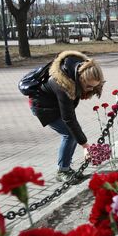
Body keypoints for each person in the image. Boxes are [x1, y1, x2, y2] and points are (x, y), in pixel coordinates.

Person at [29, 51, 105, 182]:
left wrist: (82, 140)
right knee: (69, 134)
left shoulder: (76, 70)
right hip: (42, 107)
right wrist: (86, 146)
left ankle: (66, 167)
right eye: (88, 86)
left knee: (74, 133)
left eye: (94, 87)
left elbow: (70, 116)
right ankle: (62, 171)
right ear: (80, 78)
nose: (90, 90)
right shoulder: (63, 84)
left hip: (54, 104)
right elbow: (69, 118)